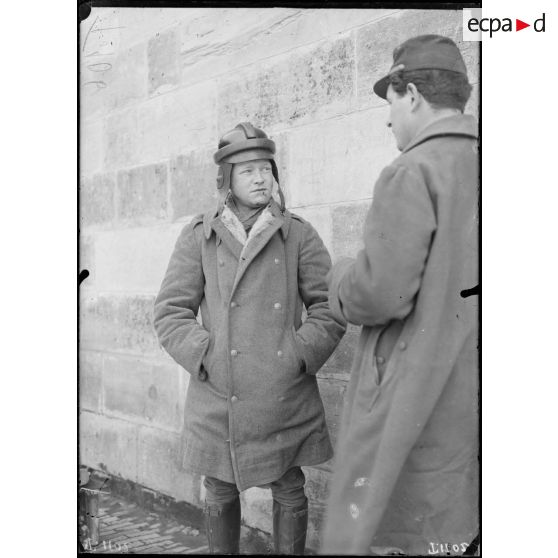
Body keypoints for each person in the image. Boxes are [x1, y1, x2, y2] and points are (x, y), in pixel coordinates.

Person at [153, 122, 346, 555]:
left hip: (283, 391)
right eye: (247, 171)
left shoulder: (297, 233)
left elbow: (329, 306)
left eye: (266, 169)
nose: (261, 178)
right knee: (220, 487)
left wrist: (297, 355)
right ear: (226, 181)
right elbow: (170, 311)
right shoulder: (199, 234)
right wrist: (207, 355)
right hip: (218, 391)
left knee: (289, 485)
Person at [321, 35, 479, 555]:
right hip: (469, 396)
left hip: (419, 397)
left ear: (411, 94)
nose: (388, 120)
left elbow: (377, 296)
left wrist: (340, 275)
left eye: (389, 102)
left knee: (398, 528)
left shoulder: (412, 170)